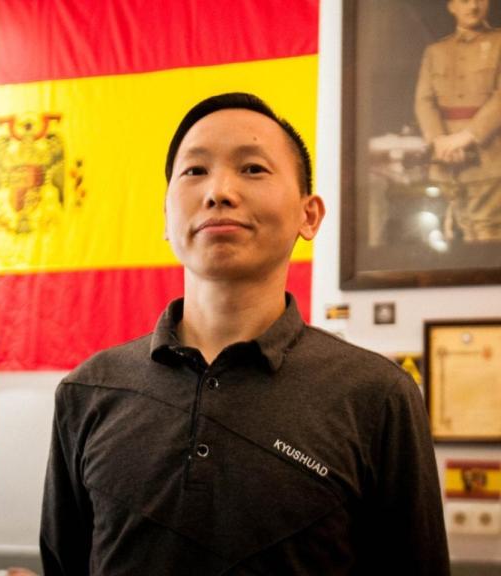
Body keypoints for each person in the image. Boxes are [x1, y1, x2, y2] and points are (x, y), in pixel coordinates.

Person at [40, 93, 450, 575]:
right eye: (195, 172)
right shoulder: (89, 390)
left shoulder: (377, 395)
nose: (219, 192)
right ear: (166, 218)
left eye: (253, 169)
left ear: (309, 215)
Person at [415, 0, 501, 242]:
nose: (473, 6)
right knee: (457, 230)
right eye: (464, 0)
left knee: (488, 235)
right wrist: (438, 141)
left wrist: (466, 138)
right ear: (450, 6)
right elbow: (424, 101)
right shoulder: (435, 51)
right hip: (445, 163)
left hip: (490, 160)